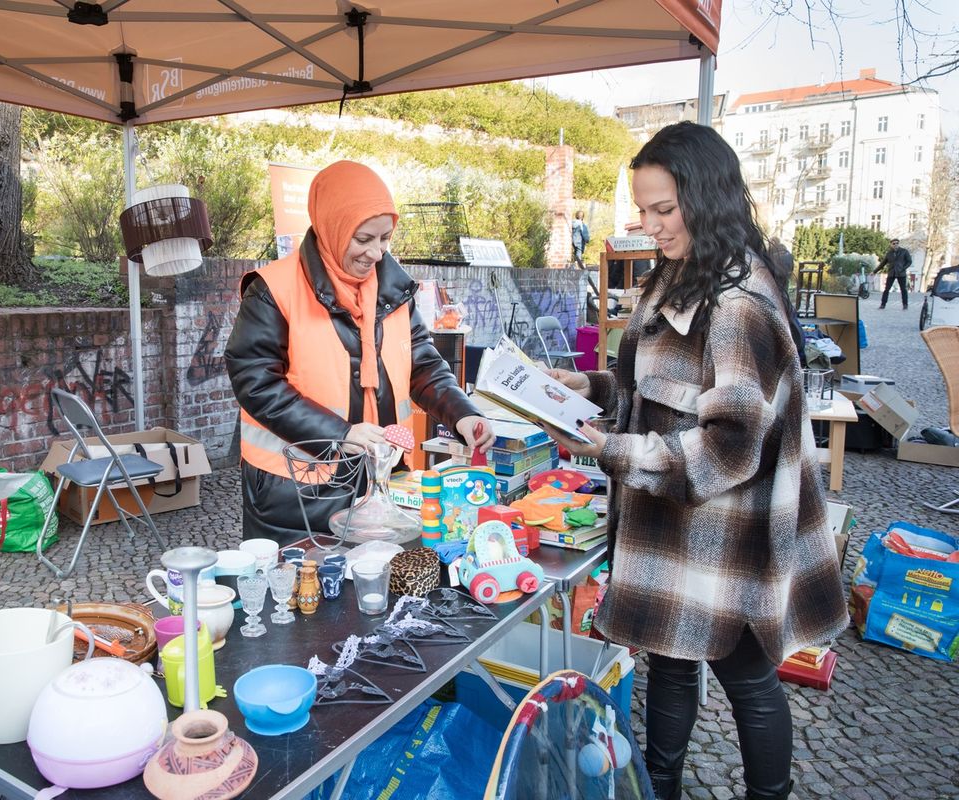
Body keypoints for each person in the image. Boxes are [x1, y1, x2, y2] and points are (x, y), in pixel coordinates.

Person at [541, 122, 847, 800]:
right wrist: (586, 387)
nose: (649, 225)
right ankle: (661, 789)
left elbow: (729, 446)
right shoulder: (679, 276)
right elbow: (658, 390)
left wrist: (612, 451)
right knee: (671, 667)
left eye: (663, 209)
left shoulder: (737, 304)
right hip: (673, 527)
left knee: (748, 679)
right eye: (642, 209)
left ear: (707, 199)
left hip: (728, 535)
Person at [225, 160, 493, 544]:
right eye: (364, 239)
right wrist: (340, 434)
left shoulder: (394, 290)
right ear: (331, 228)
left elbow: (423, 365)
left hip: (379, 480)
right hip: (298, 490)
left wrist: (462, 413)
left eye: (385, 238)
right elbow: (256, 384)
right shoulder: (273, 289)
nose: (377, 253)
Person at [874, 237, 912, 309]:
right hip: (892, 273)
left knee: (903, 289)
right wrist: (874, 271)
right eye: (894, 243)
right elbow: (883, 264)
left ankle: (905, 304)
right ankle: (883, 304)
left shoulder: (904, 251)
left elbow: (909, 261)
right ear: (891, 244)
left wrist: (903, 268)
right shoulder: (889, 253)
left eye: (897, 243)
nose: (895, 245)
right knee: (886, 289)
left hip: (901, 273)